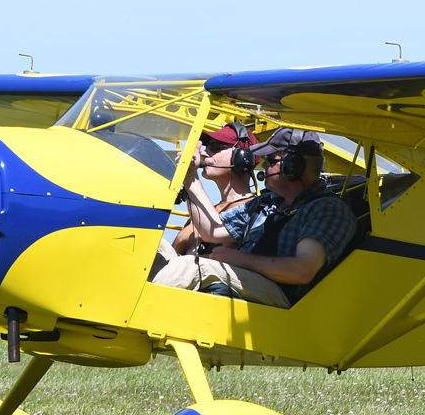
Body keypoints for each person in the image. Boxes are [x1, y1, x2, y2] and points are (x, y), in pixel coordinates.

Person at [152, 128, 356, 308]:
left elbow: (302, 271)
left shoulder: (328, 209)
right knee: (154, 246)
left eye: (270, 161)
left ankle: (138, 303)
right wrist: (190, 178)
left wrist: (240, 260)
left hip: (281, 299)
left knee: (192, 266)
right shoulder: (266, 202)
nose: (264, 166)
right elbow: (212, 230)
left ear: (293, 166)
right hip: (249, 281)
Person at [164, 123, 259, 256]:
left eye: (214, 147)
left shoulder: (254, 211)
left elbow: (226, 263)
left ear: (242, 157)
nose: (203, 153)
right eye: (205, 147)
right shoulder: (202, 210)